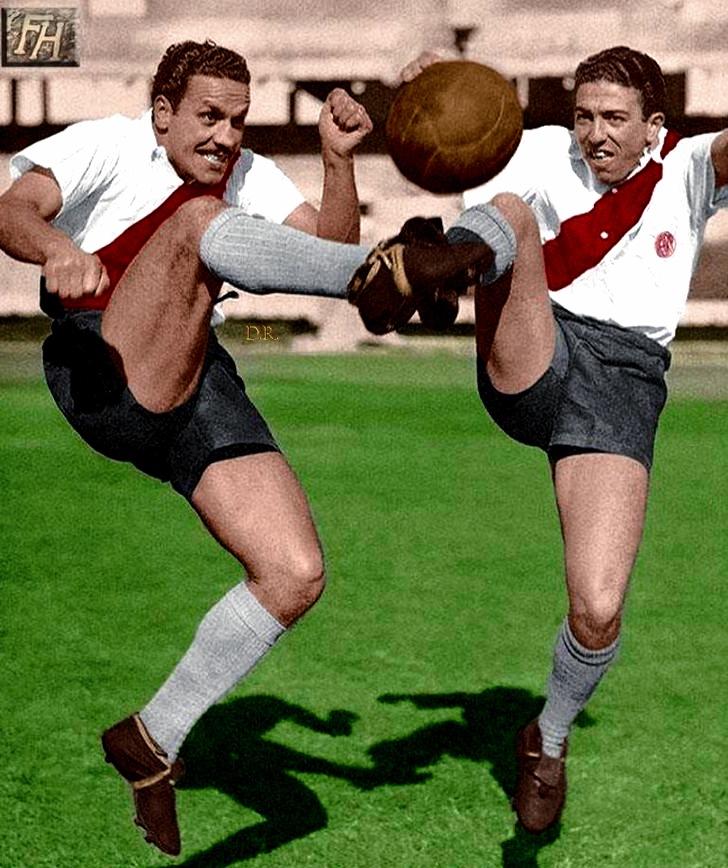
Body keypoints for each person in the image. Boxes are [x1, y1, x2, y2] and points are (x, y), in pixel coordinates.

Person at [0, 40, 495, 856]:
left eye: (238, 120)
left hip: (197, 370)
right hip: (102, 363)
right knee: (198, 221)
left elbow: (327, 248)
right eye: (208, 117)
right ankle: (409, 268)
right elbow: (13, 208)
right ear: (162, 113)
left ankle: (150, 739)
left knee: (294, 572)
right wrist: (57, 249)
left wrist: (338, 160)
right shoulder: (107, 144)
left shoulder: (249, 171)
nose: (226, 136)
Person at [401, 45, 728, 833]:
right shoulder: (539, 149)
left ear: (655, 126)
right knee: (512, 215)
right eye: (585, 116)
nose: (596, 134)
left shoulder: (687, 170)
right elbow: (468, 128)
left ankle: (545, 739)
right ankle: (438, 270)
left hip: (623, 384)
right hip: (534, 348)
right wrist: (444, 84)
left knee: (598, 608)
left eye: (615, 119)